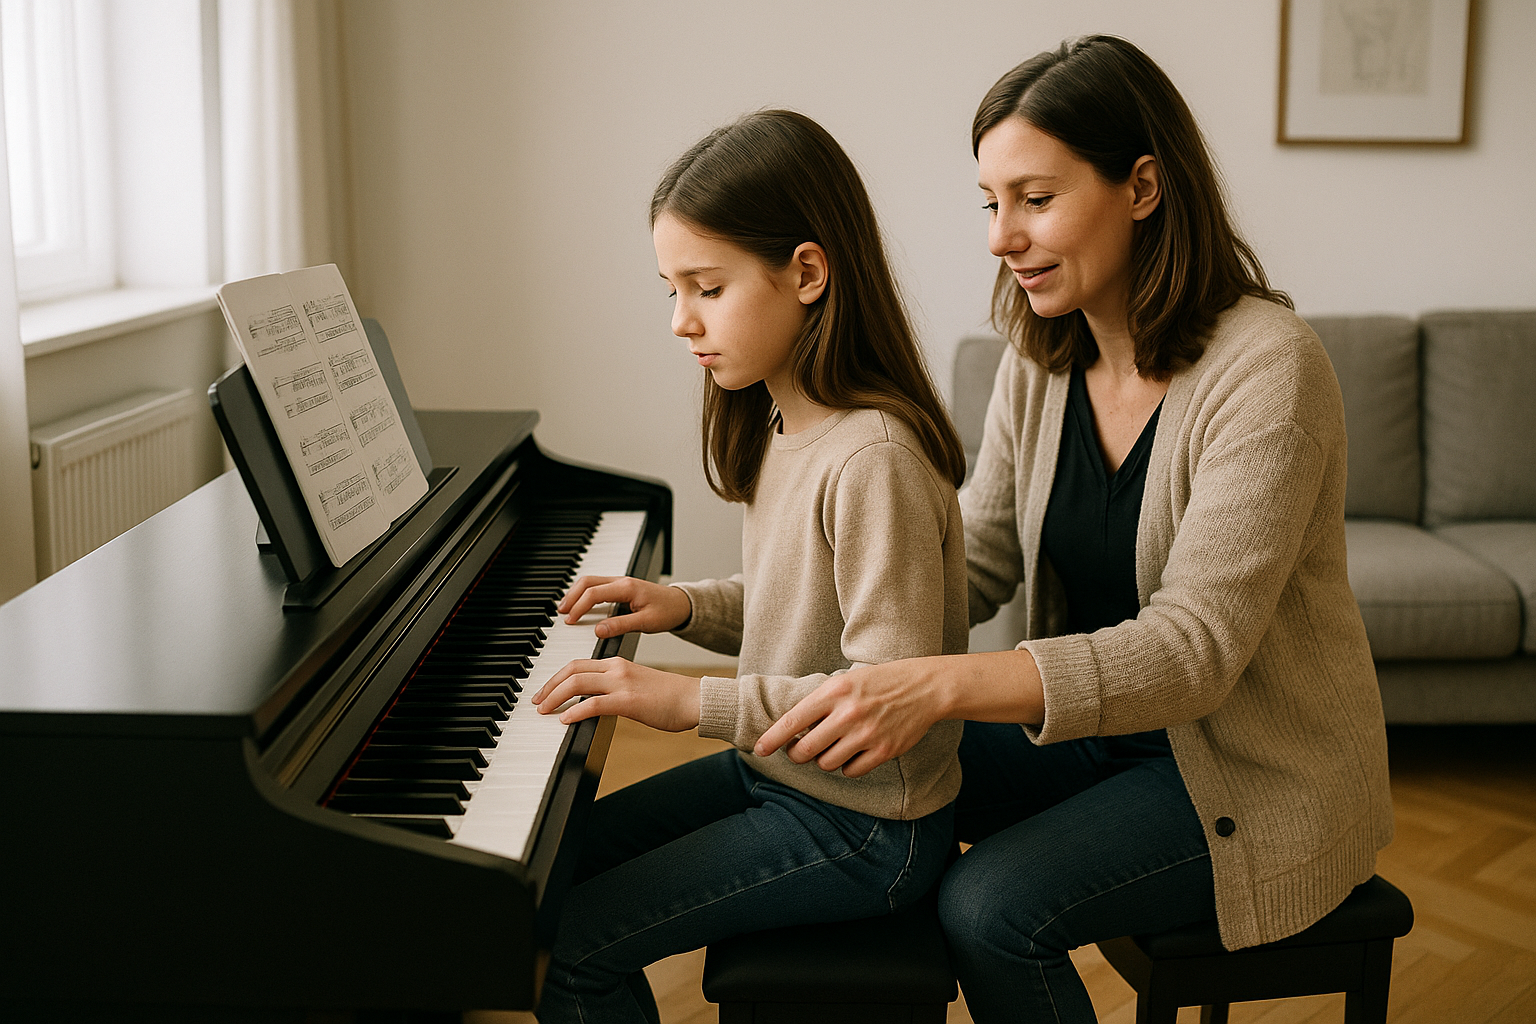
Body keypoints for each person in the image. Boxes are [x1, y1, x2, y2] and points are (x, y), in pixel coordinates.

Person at [753, 36, 1394, 1022]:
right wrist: (720, 607)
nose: (1001, 236)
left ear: (1142, 186)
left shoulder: (1270, 366)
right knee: (856, 793)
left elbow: (1195, 653)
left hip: (1248, 770)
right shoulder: (1043, 353)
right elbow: (979, 558)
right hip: (1100, 737)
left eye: (1035, 198)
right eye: (990, 201)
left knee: (989, 905)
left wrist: (940, 683)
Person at [527, 108, 971, 1024]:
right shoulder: (788, 421)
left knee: (574, 947)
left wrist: (692, 702)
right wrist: (681, 606)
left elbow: (879, 697)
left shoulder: (871, 457)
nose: (682, 322)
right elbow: (797, 608)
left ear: (807, 273)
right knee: (551, 871)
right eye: (671, 289)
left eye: (707, 287)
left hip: (865, 827)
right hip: (780, 777)